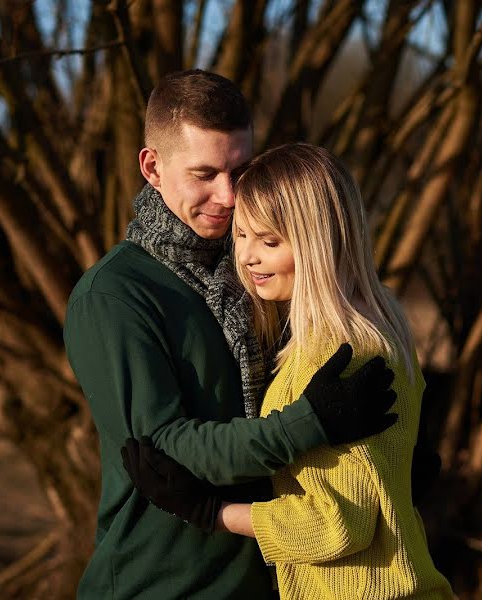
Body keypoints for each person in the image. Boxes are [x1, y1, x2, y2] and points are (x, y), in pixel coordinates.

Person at [63, 71, 398, 599]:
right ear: (152, 167)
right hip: (160, 583)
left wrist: (390, 463)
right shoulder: (113, 296)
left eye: (239, 170)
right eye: (204, 173)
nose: (227, 194)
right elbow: (167, 449)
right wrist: (310, 423)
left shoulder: (259, 269)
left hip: (268, 576)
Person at [124, 143, 453, 599]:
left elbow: (335, 524)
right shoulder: (379, 323)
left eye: (270, 241)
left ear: (319, 241)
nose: (248, 257)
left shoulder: (335, 354)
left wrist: (211, 512)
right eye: (241, 235)